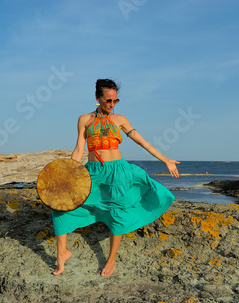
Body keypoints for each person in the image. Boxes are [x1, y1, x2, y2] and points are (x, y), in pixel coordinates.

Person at [51, 78, 180, 277]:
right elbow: (79, 148)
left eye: (115, 101)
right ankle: (62, 253)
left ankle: (110, 260)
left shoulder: (120, 120)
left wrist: (165, 159)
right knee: (62, 205)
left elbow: (141, 141)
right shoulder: (84, 120)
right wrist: (70, 172)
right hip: (92, 171)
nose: (111, 105)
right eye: (108, 101)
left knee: (116, 213)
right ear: (97, 98)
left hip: (118, 172)